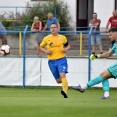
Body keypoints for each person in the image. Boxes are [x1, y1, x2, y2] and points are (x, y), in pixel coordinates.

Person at [72, 27, 117, 99]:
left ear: (116, 34)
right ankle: (106, 95)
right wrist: (96, 56)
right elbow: (108, 54)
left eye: (110, 35)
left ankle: (83, 87)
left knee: (103, 75)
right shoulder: (115, 44)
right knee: (104, 76)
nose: (109, 37)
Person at [40, 23, 70, 98]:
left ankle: (65, 92)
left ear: (57, 29)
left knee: (62, 74)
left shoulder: (62, 38)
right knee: (58, 80)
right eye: (51, 28)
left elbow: (68, 45)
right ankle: (64, 83)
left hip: (61, 59)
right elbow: (41, 47)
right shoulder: (46, 38)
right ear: (50, 29)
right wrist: (46, 51)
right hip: (51, 61)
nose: (53, 29)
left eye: (54, 27)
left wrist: (65, 49)